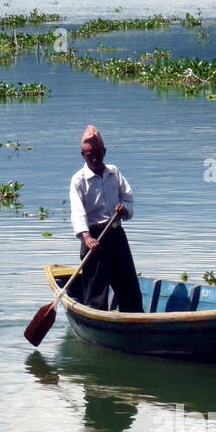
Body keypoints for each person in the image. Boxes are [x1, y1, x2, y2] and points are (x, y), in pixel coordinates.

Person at [69, 125, 143, 313]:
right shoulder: (78, 180)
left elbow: (128, 199)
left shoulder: (114, 172)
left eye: (98, 154)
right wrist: (87, 238)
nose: (94, 158)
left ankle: (134, 318)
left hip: (116, 234)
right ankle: (96, 319)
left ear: (104, 152)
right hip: (94, 238)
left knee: (128, 286)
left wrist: (124, 209)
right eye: (89, 155)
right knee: (96, 293)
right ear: (82, 155)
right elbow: (78, 213)